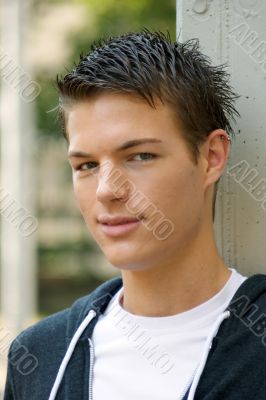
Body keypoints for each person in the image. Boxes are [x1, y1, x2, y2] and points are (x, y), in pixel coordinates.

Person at [4, 30, 266, 400]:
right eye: (87, 165)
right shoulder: (39, 356)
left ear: (211, 158)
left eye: (140, 156)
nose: (107, 190)